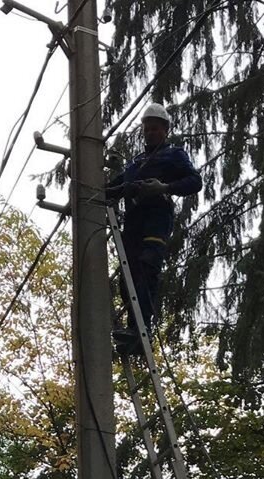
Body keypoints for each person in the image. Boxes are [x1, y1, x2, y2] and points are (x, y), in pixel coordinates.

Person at [105, 102, 202, 348]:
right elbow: (112, 189)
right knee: (128, 277)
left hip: (157, 218)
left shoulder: (174, 154)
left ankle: (142, 329)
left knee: (147, 268)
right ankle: (132, 330)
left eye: (155, 129)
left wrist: (166, 187)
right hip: (134, 222)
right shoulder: (135, 163)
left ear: (165, 130)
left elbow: (194, 181)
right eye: (147, 129)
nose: (150, 133)